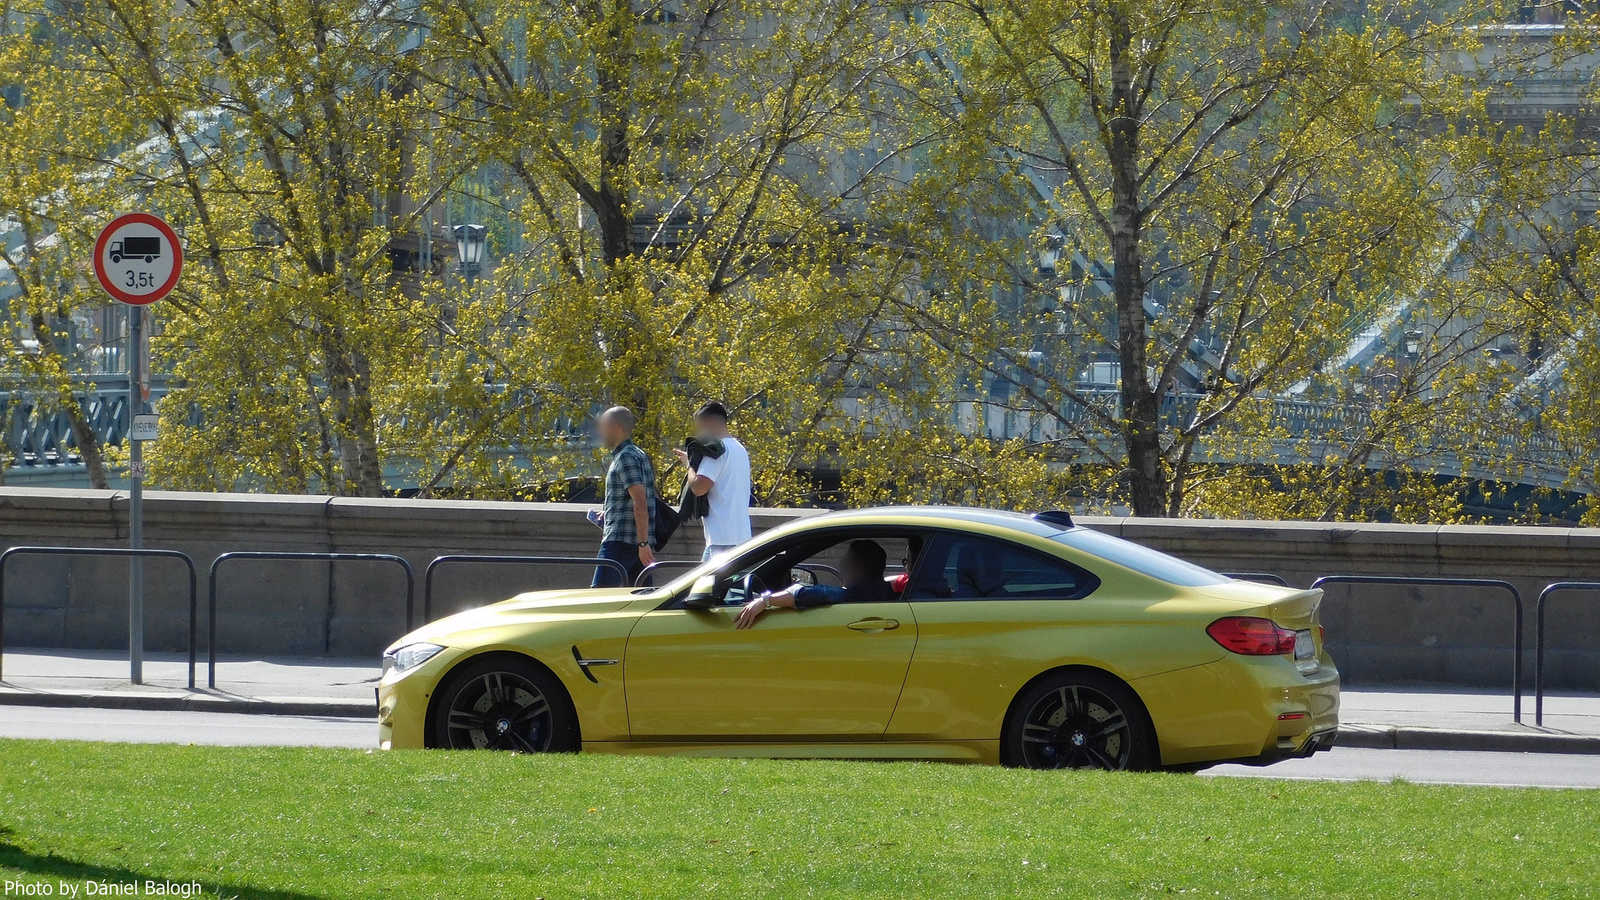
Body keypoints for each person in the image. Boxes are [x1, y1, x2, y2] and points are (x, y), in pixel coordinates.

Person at [734, 540, 889, 629]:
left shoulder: (857, 594)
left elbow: (823, 593)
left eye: (845, 563)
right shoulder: (883, 590)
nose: (841, 567)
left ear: (858, 568)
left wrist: (765, 600)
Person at [673, 401, 752, 562]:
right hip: (741, 537)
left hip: (721, 541)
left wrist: (690, 465)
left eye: (700, 427)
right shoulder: (739, 448)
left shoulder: (716, 451)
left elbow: (698, 487)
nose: (699, 434)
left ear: (709, 423)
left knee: (703, 587)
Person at [590, 406, 656, 587]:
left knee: (598, 597)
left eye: (603, 426)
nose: (600, 432)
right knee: (640, 599)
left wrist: (643, 544)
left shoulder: (625, 457)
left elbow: (640, 501)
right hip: (635, 542)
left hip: (620, 541)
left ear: (615, 427)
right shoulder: (638, 454)